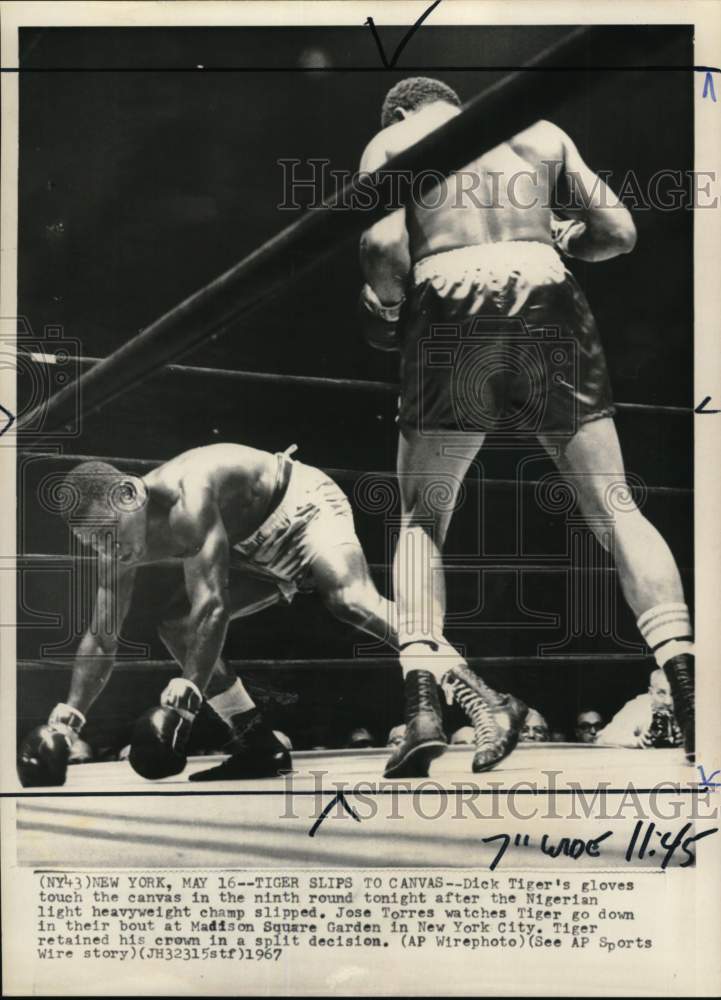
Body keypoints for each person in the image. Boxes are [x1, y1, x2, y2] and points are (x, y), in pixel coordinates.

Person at [358, 76, 695, 776]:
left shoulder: (392, 140)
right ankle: (690, 691)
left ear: (401, 110)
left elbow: (382, 248)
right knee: (614, 506)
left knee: (423, 517)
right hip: (545, 283)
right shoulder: (538, 131)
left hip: (449, 294)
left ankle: (422, 703)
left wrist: (390, 309)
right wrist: (562, 235)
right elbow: (620, 233)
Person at [18, 443, 397, 786]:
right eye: (95, 543)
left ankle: (442, 657)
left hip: (300, 508)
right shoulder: (114, 553)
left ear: (129, 494)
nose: (109, 549)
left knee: (351, 601)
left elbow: (211, 603)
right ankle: (256, 743)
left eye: (108, 532)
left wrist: (191, 687)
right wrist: (70, 716)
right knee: (177, 626)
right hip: (252, 552)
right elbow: (102, 638)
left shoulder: (188, 498)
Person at [597, 669, 683, 748]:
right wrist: (636, 741)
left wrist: (689, 741)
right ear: (650, 692)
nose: (668, 701)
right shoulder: (637, 706)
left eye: (674, 693)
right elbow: (602, 738)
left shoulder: (688, 705)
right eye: (661, 693)